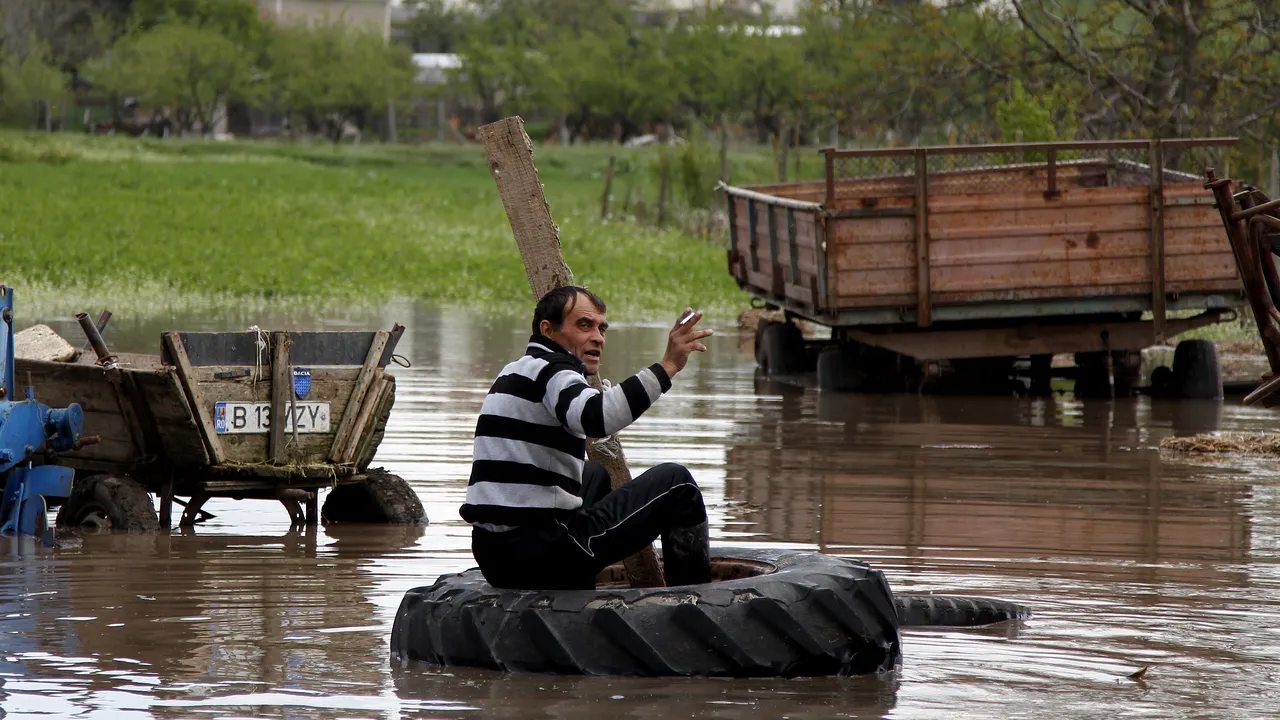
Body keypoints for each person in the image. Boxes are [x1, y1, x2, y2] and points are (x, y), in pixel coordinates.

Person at [460, 285, 714, 590]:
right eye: (584, 325)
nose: (598, 337)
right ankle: (695, 602)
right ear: (548, 330)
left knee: (592, 474)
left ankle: (575, 583)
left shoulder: (516, 371)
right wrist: (668, 366)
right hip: (542, 553)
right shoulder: (555, 371)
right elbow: (596, 417)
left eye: (601, 328)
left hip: (494, 555)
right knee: (678, 484)